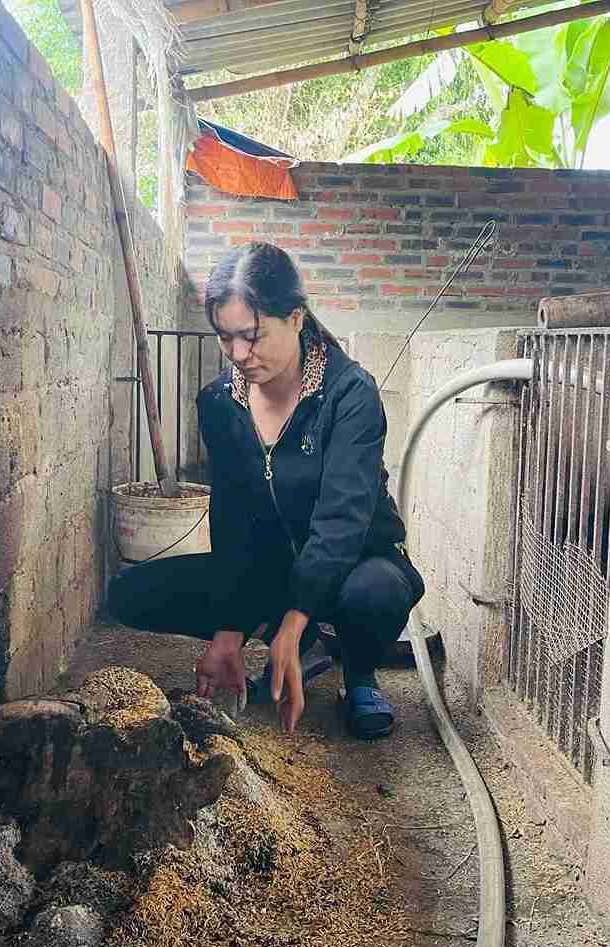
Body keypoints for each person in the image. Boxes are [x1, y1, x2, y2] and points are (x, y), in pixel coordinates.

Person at [107, 242, 424, 738]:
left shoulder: (348, 394)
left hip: (354, 560)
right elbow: (232, 521)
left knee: (374, 594)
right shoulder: (220, 402)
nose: (238, 354)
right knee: (130, 593)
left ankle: (358, 672)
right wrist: (228, 631)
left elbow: (343, 519)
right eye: (225, 337)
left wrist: (297, 618)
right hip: (272, 568)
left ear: (295, 318)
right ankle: (288, 639)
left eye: (252, 337)